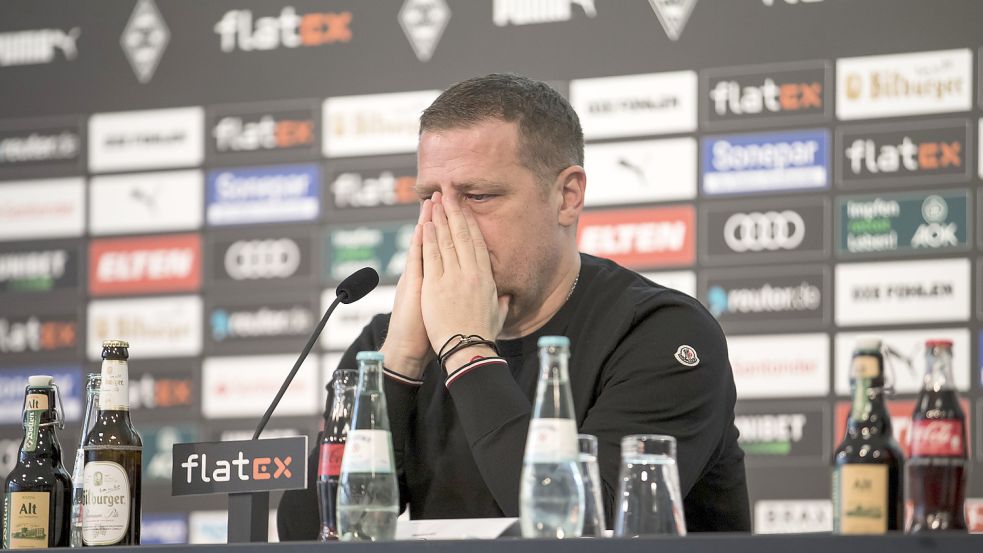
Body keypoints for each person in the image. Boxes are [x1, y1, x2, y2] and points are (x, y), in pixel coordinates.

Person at [278, 73, 749, 537]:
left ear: (567, 197)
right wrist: (399, 362)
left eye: (478, 196)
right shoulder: (393, 341)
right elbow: (312, 535)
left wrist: (465, 349)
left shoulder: (660, 332)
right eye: (429, 198)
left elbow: (584, 531)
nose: (447, 224)